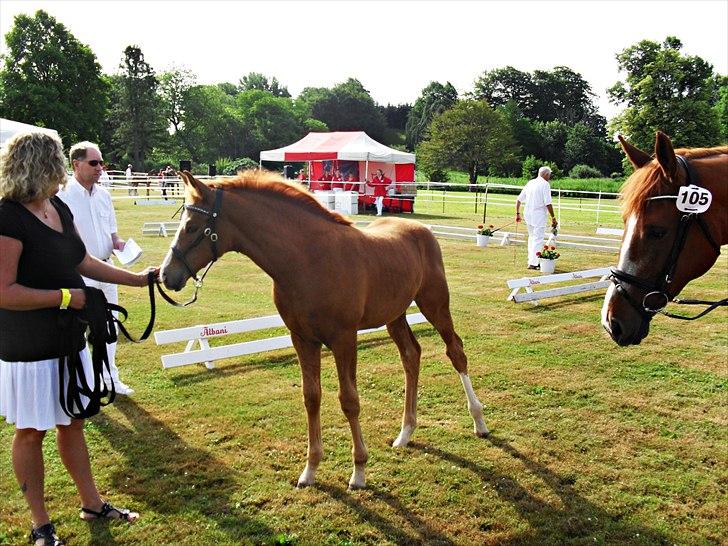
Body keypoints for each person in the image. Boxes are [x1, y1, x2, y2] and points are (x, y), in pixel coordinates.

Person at [0, 131, 156, 546]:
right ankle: (41, 525)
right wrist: (68, 297)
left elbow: (83, 260)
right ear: (43, 166)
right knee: (32, 431)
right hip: (28, 345)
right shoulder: (8, 217)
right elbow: (4, 291)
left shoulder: (58, 207)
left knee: (73, 421)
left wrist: (138, 280)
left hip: (68, 338)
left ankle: (91, 502)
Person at [58, 141, 134, 396]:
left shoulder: (104, 195)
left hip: (106, 268)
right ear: (76, 164)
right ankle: (83, 381)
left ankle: (110, 377)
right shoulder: (60, 196)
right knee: (80, 330)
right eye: (94, 163)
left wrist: (121, 245)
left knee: (108, 326)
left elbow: (112, 235)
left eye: (101, 163)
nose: (100, 168)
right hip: (77, 273)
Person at [515, 166, 558, 270]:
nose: (550, 177)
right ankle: (533, 263)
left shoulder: (531, 182)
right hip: (538, 215)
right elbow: (548, 203)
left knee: (531, 238)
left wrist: (517, 213)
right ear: (546, 174)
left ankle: (531, 260)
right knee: (538, 239)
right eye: (549, 175)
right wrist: (553, 217)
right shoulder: (545, 184)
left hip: (528, 214)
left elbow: (519, 199)